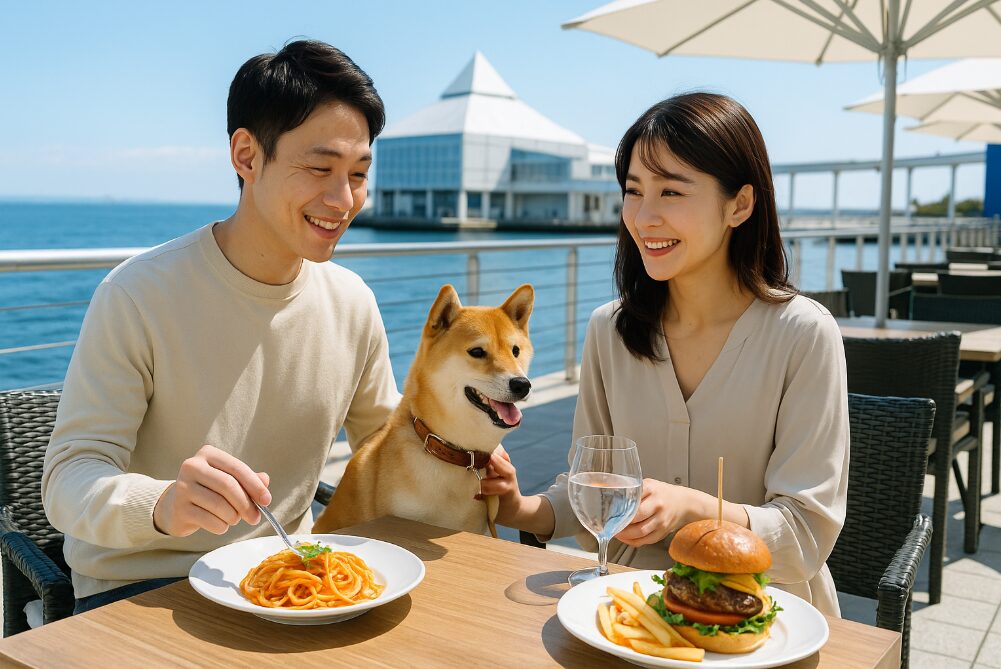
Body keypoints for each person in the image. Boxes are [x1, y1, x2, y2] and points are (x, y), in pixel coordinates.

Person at [41, 40, 400, 613]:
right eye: (319, 168)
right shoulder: (137, 293)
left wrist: (464, 449)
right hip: (136, 592)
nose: (344, 199)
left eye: (358, 173)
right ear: (246, 156)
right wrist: (162, 504)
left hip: (286, 585)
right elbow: (67, 480)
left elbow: (387, 447)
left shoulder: (352, 302)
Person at [484, 93, 849, 616]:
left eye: (671, 192)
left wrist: (695, 509)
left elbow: (807, 534)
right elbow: (595, 488)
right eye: (633, 192)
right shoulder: (608, 330)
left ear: (739, 206)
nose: (643, 216)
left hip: (766, 617)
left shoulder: (804, 334)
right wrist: (520, 507)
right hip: (627, 608)